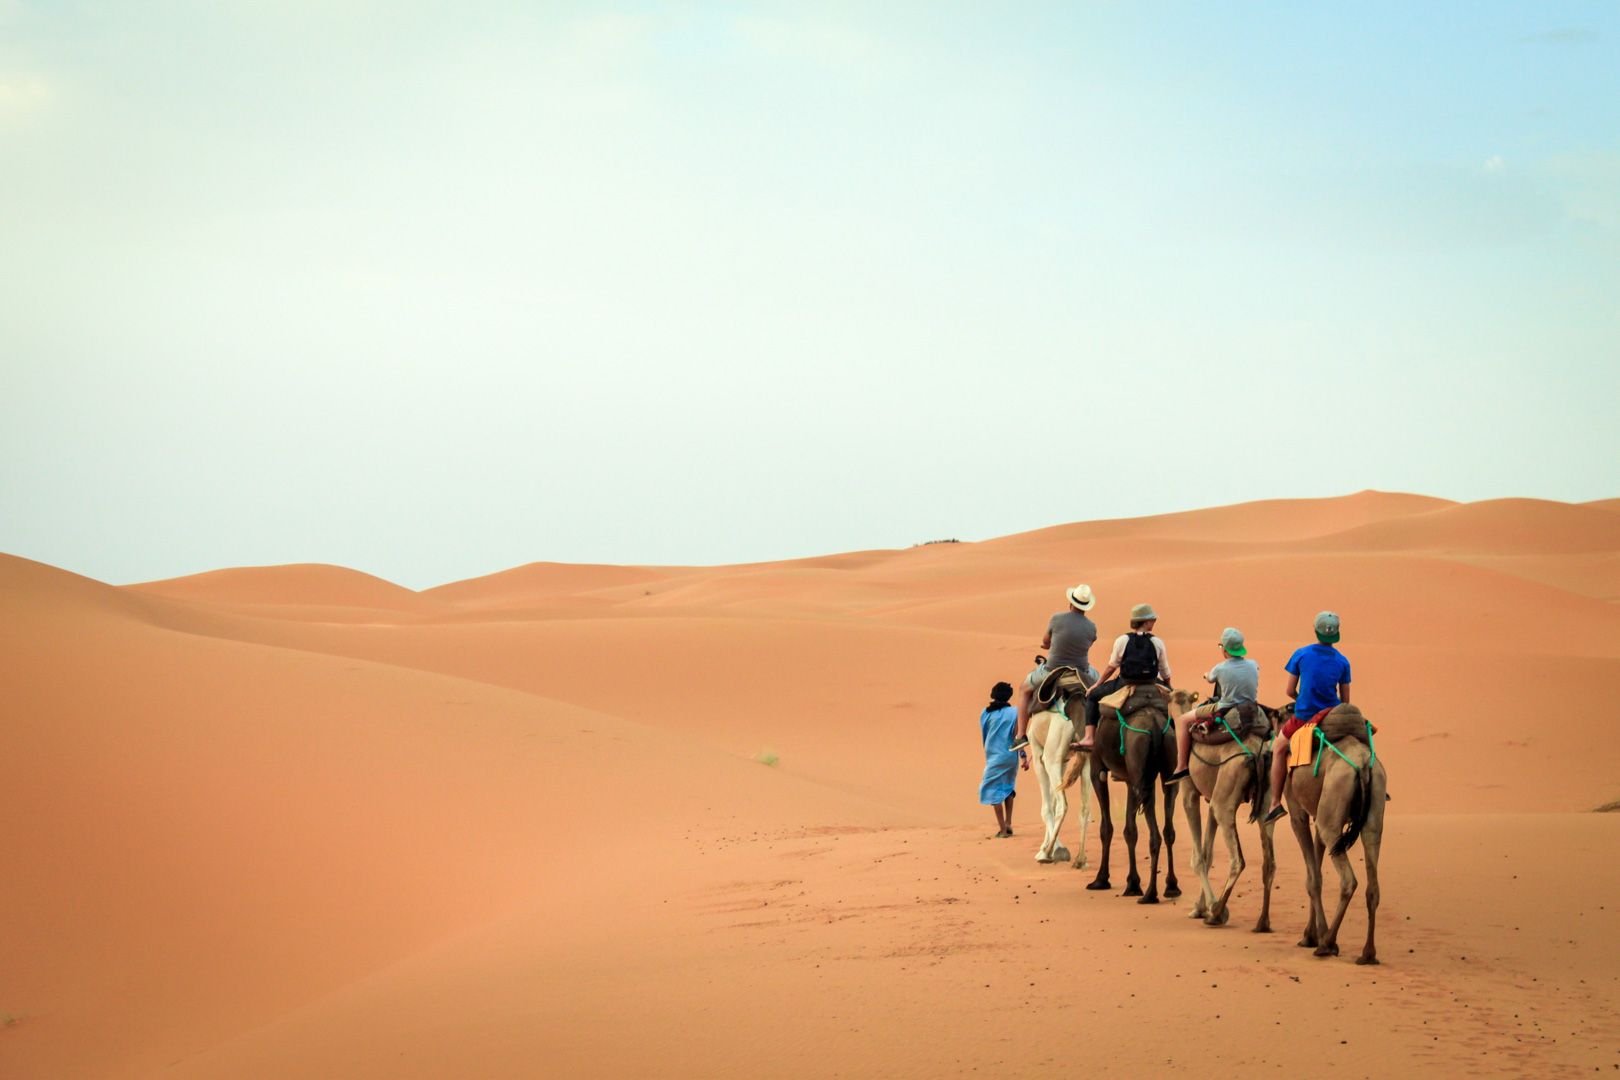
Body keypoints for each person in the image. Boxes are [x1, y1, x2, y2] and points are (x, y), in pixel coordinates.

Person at [1263, 612, 1352, 824]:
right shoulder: (1342, 661)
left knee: (1278, 748)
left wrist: (1302, 699)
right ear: (1337, 633)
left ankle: (1275, 803)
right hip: (1333, 716)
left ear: (1315, 630)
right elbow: (1346, 700)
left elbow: (1289, 690)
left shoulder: (1301, 655)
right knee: (1362, 732)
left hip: (1303, 717)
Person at [1009, 584, 1099, 752]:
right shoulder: (1092, 627)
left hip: (1051, 670)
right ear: (1086, 607)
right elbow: (1088, 644)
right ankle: (1097, 732)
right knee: (1100, 688)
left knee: (1024, 689)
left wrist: (1047, 645)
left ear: (1071, 602)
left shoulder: (1056, 619)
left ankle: (1021, 735)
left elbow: (1046, 641)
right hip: (1081, 671)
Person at [1166, 627, 1259, 783]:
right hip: (1251, 706)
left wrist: (1206, 674)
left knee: (1182, 720)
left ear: (1224, 649)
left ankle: (1181, 766)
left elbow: (1210, 678)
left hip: (1225, 706)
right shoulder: (1253, 664)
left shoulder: (1220, 668)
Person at [1076, 603, 1172, 750]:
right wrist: (1168, 687)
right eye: (1152, 620)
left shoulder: (1123, 640)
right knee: (1176, 705)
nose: (1154, 622)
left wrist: (1097, 685)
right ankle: (1176, 742)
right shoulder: (1157, 642)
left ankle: (1089, 737)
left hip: (1125, 683)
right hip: (1152, 684)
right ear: (1146, 622)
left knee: (1093, 697)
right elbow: (1165, 670)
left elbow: (1112, 666)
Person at [979, 681, 1024, 837]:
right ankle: (1008, 823)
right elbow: (1019, 736)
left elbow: (984, 737)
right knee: (1007, 787)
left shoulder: (985, 713)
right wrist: (1023, 757)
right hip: (1011, 756)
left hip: (995, 757)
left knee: (991, 790)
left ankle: (1003, 830)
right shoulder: (1016, 712)